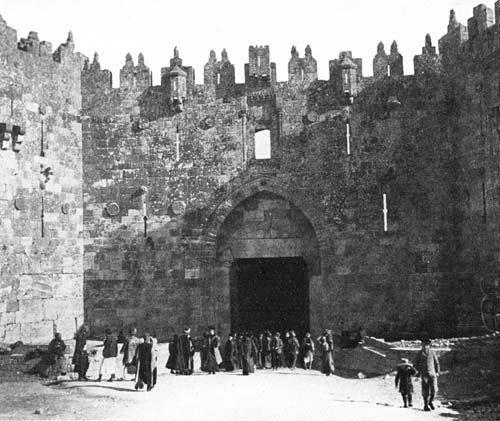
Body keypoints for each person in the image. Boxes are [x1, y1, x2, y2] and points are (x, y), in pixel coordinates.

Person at [415, 339, 440, 411]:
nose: (424, 346)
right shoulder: (420, 353)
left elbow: (436, 362)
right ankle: (425, 405)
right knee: (425, 390)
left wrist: (437, 371)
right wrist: (419, 371)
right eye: (423, 345)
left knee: (434, 390)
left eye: (426, 345)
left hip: (433, 373)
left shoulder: (432, 352)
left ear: (428, 345)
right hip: (424, 374)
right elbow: (415, 363)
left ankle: (431, 402)